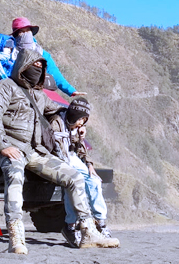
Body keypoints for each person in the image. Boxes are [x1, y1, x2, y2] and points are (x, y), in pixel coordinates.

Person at [0, 48, 119, 254]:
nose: (37, 71)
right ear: (22, 66)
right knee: (15, 176)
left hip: (35, 151)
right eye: (34, 67)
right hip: (13, 147)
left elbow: (61, 110)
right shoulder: (5, 86)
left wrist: (79, 122)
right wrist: (3, 145)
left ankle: (88, 232)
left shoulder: (39, 95)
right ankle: (16, 236)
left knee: (74, 176)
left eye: (41, 68)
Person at [49, 97, 113, 247]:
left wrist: (89, 164)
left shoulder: (78, 128)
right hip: (59, 158)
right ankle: (70, 225)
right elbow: (55, 148)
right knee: (73, 182)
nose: (81, 123)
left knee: (94, 181)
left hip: (73, 158)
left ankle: (100, 223)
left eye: (84, 120)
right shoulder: (57, 123)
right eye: (80, 119)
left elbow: (80, 149)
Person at [10, 17, 87, 97]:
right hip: (15, 92)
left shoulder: (42, 54)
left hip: (36, 94)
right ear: (16, 35)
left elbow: (55, 74)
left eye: (28, 31)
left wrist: (70, 90)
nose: (26, 34)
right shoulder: (10, 52)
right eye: (22, 32)